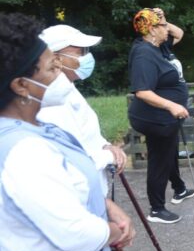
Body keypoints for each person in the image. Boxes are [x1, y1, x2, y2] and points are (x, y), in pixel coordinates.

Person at [0, 13, 135, 251]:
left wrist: (104, 205)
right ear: (21, 85)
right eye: (53, 68)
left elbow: (64, 185)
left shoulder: (32, 128)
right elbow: (76, 232)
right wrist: (116, 234)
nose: (59, 76)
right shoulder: (25, 151)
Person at [37, 24, 127, 197]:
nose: (87, 57)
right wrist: (108, 157)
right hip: (75, 198)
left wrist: (104, 145)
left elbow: (85, 133)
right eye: (81, 52)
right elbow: (68, 161)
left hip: (90, 192)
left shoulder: (67, 87)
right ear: (55, 59)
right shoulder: (50, 103)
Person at [128, 8, 194, 224]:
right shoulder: (143, 54)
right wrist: (171, 106)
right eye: (162, 26)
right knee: (159, 161)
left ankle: (179, 189)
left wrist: (163, 18)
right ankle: (156, 209)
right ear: (151, 29)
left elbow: (179, 33)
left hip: (164, 117)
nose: (167, 29)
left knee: (168, 153)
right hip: (155, 117)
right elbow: (142, 91)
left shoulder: (157, 46)